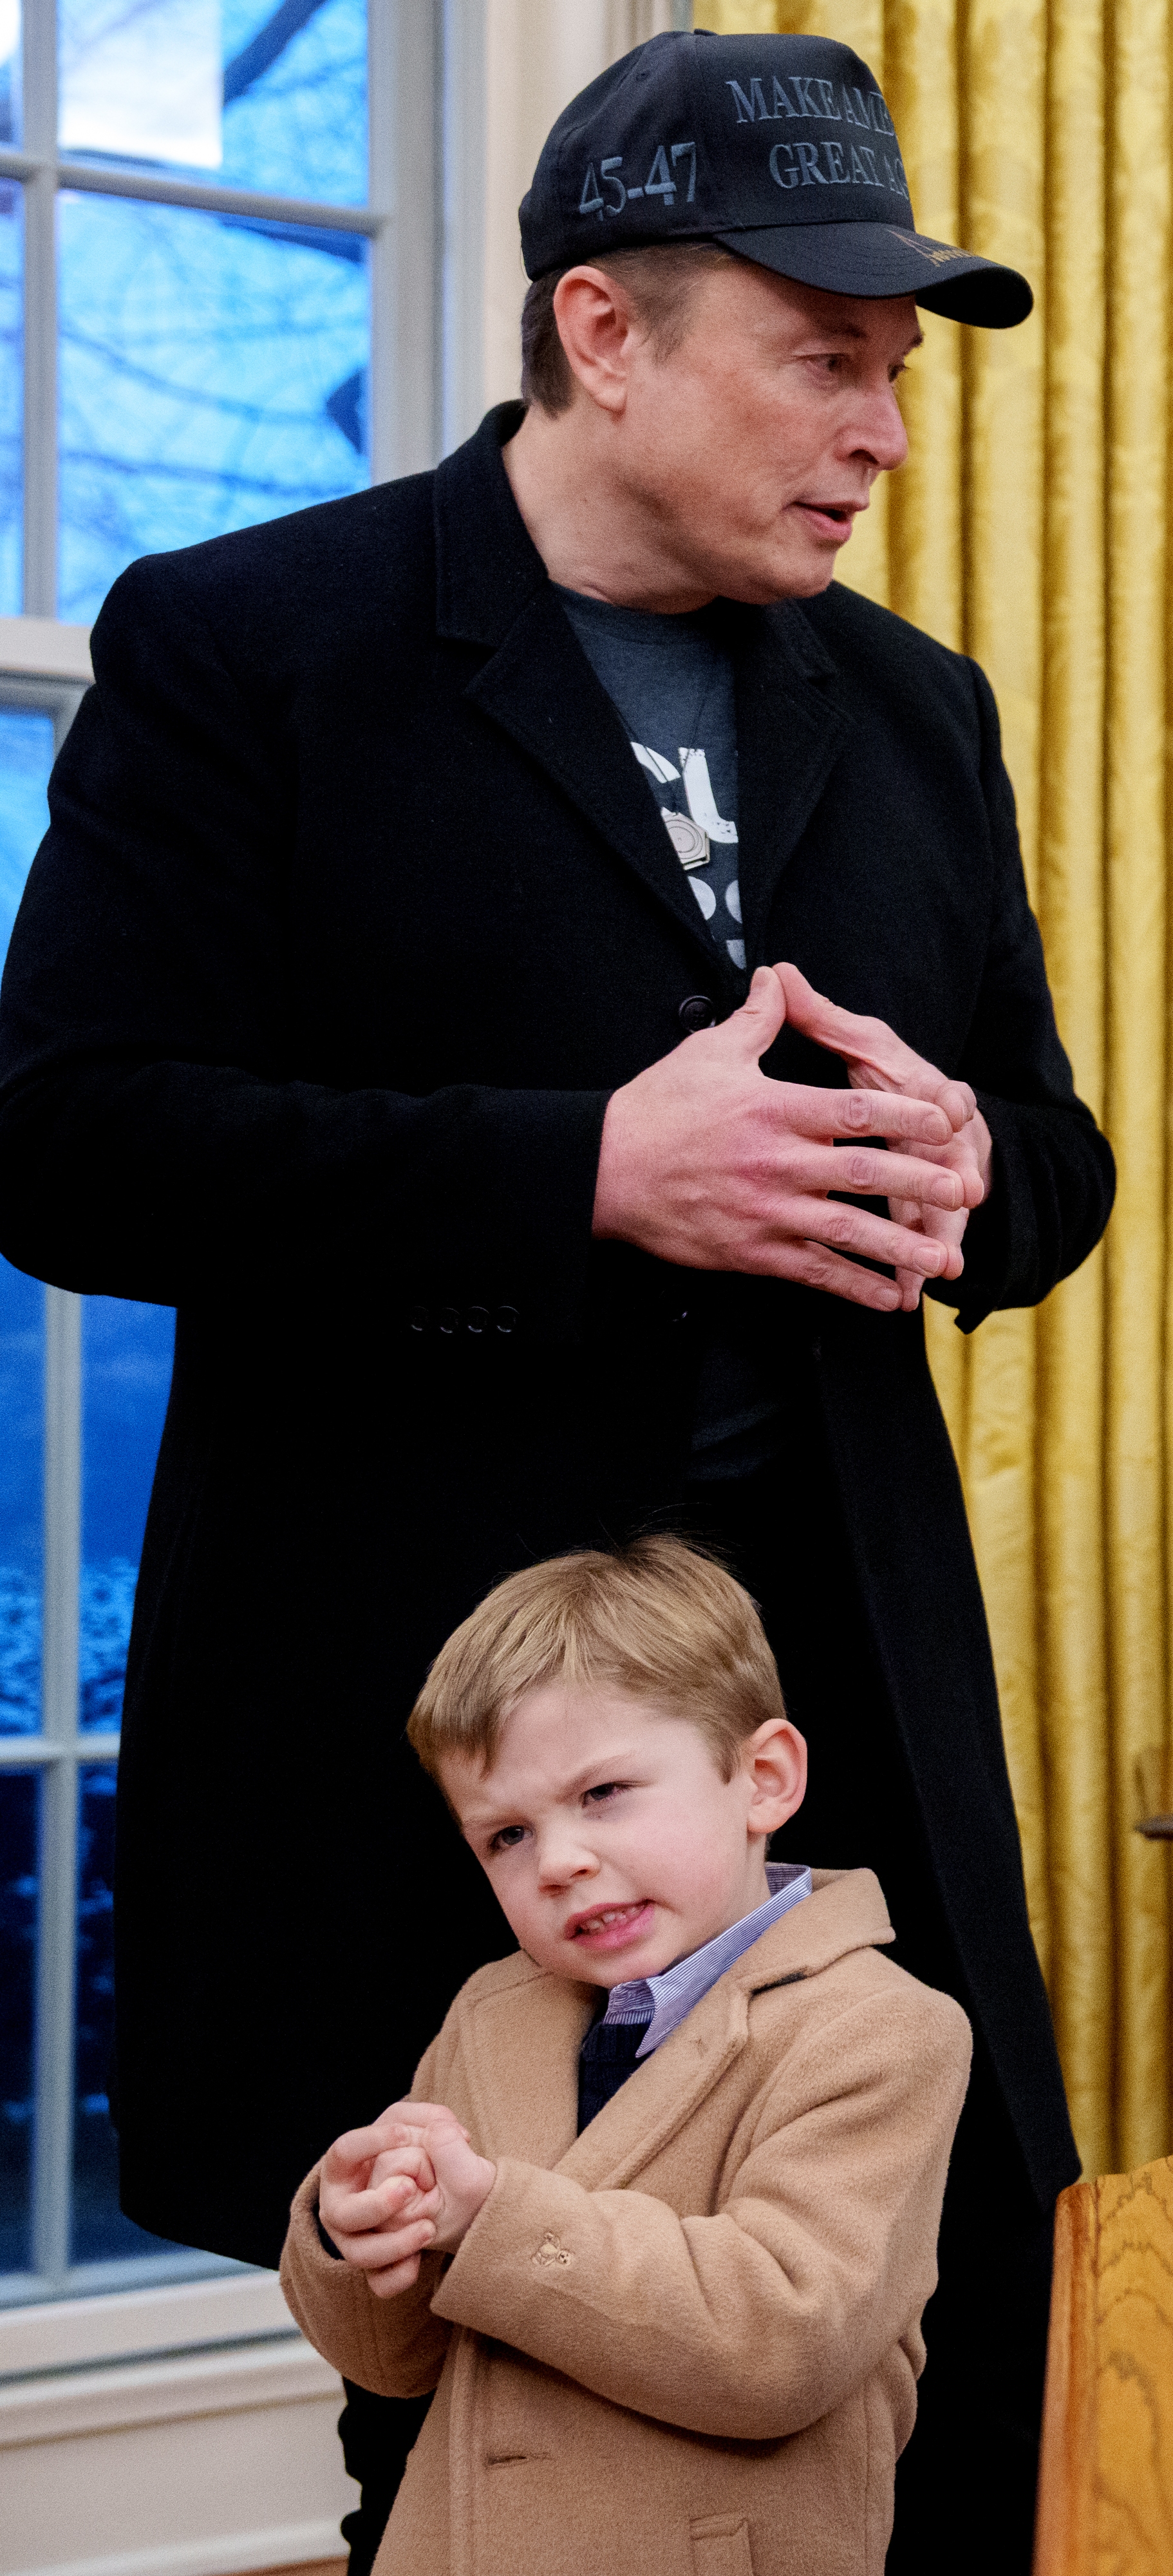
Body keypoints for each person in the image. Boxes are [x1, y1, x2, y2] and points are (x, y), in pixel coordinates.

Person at [0, 30, 1110, 2570]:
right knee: (490, 2392)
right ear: (602, 336)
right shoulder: (254, 649)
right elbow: (62, 1134)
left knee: (946, 2356)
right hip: (435, 1750)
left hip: (818, 1737)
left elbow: (1050, 1164)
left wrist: (978, 1175)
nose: (882, 433)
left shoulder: (916, 714)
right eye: (823, 358)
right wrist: (586, 1170)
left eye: (899, 373)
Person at [283, 1539, 970, 2576]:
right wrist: (364, 2234)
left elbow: (781, 2341)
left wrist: (491, 2216)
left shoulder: (880, 2031)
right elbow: (396, 2367)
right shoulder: (489, 2012)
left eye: (604, 1793)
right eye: (506, 1835)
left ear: (764, 1779)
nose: (559, 1861)